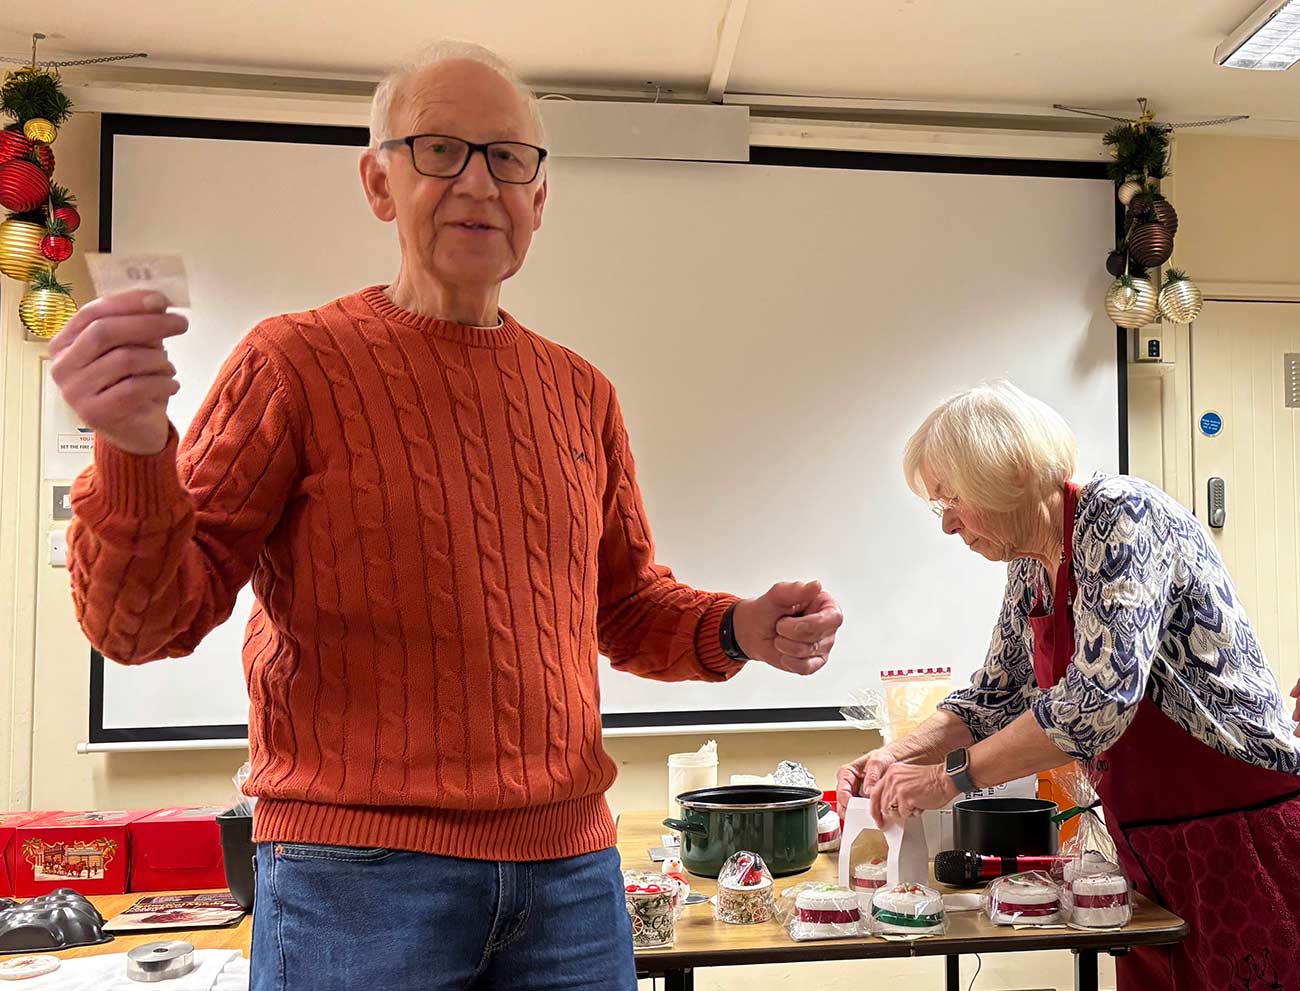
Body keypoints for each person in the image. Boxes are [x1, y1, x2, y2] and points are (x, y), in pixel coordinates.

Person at [51, 41, 844, 991]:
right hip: (356, 880)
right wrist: (137, 453)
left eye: (508, 158)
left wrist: (736, 626)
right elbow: (144, 624)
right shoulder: (291, 365)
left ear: (538, 201)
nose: (478, 181)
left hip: (570, 877)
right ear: (379, 182)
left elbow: (622, 601)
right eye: (439, 149)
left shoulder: (578, 392)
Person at [838, 381, 1300, 990]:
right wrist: (897, 753)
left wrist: (948, 779)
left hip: (1240, 827)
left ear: (1012, 473)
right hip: (1149, 836)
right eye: (938, 505)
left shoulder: (1122, 515)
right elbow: (995, 696)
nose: (948, 524)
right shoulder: (1032, 559)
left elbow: (1099, 700)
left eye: (953, 499)